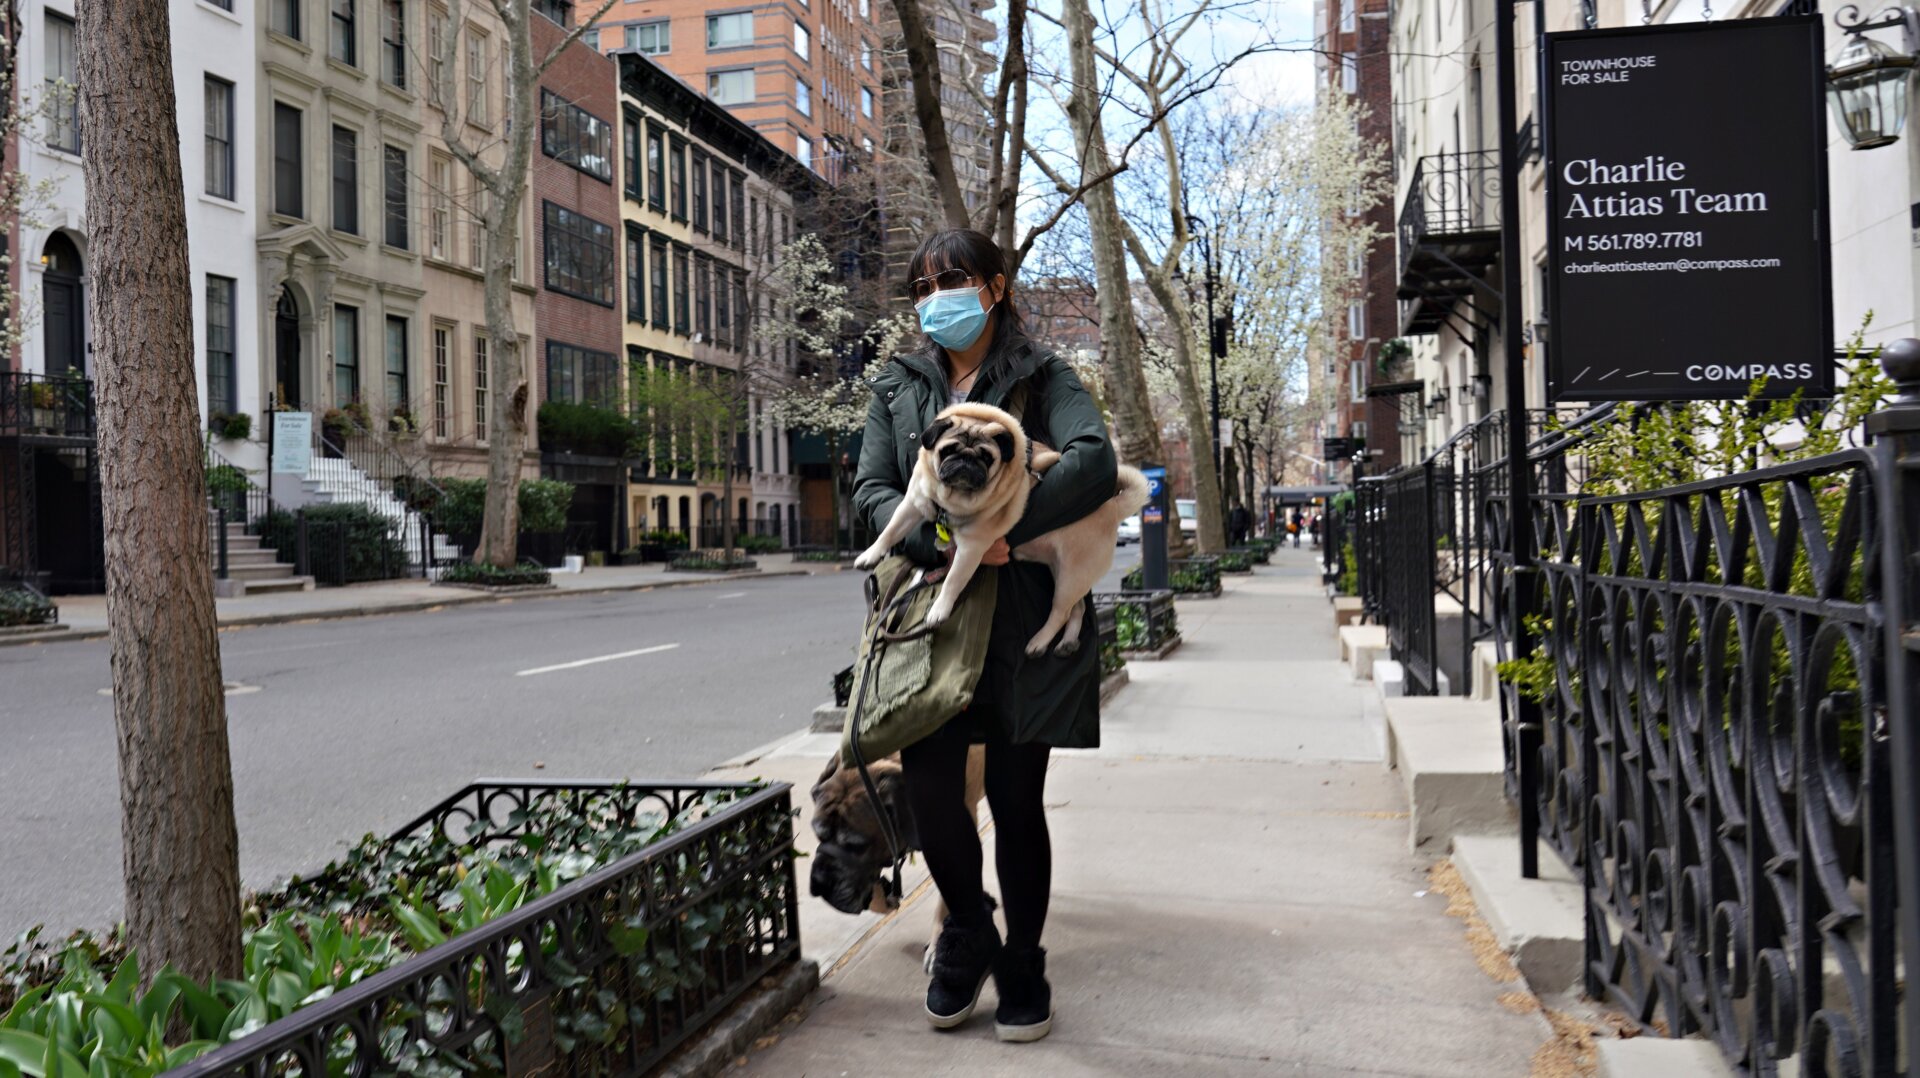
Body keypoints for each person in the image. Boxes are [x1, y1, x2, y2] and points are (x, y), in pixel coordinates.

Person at [854, 228, 1117, 1043]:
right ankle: (969, 932)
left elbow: (1094, 462)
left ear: (996, 287)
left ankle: (1025, 962)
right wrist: (936, 543)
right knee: (933, 796)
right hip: (928, 617)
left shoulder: (1046, 376)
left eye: (954, 279)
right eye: (924, 285)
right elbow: (871, 487)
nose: (939, 297)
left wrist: (1002, 525)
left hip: (1019, 617)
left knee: (1014, 796)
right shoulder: (898, 386)